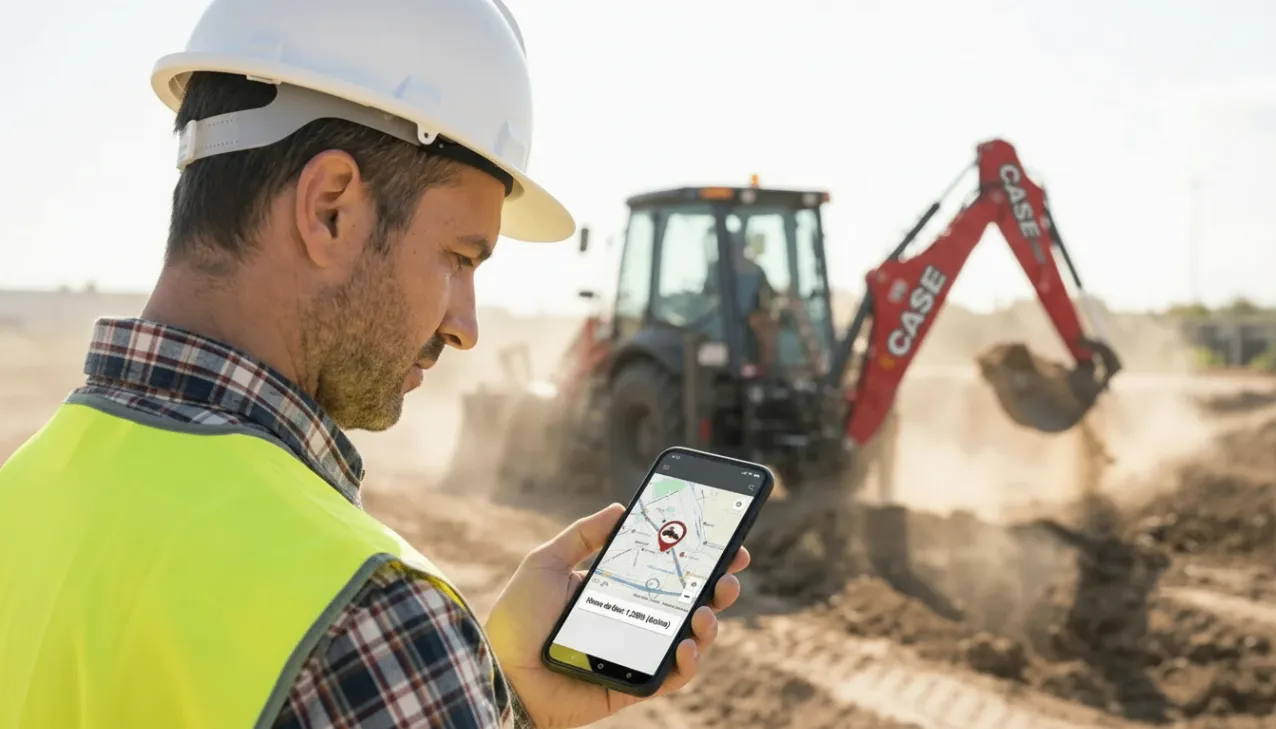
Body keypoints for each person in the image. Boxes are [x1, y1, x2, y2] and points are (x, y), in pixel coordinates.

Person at [0, 1, 750, 728]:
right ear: (331, 207)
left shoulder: (23, 494)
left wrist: (507, 702)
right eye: (458, 259)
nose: (466, 327)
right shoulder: (371, 617)